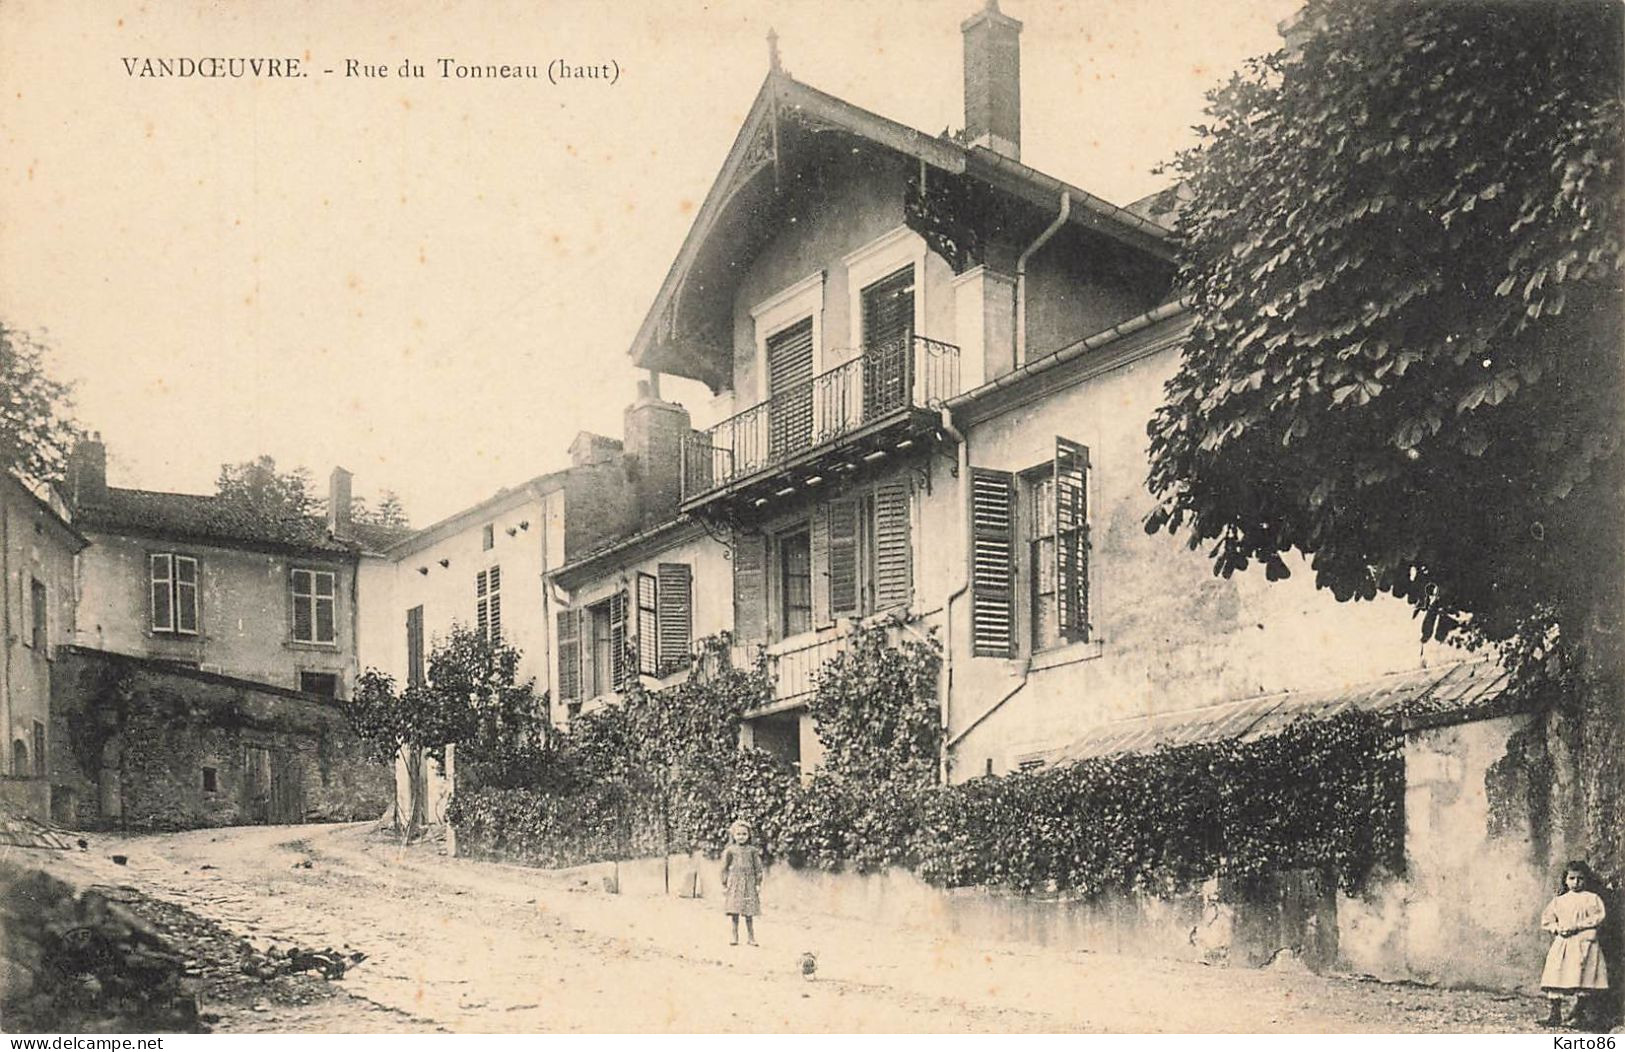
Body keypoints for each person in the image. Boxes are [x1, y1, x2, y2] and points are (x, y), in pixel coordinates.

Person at [1539, 860, 1610, 1028]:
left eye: (1580, 879)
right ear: (1565, 880)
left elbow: (1598, 917)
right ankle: (1555, 1014)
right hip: (1564, 942)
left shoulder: (1592, 899)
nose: (1576, 882)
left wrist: (1577, 926)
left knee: (1583, 976)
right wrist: (1557, 929)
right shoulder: (1559, 901)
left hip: (1584, 942)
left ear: (1586, 880)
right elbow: (1547, 920)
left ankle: (1580, 1014)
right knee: (1556, 973)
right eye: (1572, 878)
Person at [720, 818, 763, 947]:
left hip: (749, 882)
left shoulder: (752, 851)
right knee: (735, 910)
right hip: (735, 882)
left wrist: (758, 883)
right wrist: (724, 884)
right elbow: (724, 868)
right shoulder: (730, 850)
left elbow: (758, 868)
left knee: (749, 911)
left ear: (749, 835)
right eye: (738, 834)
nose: (741, 837)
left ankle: (751, 937)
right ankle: (735, 936)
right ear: (733, 835)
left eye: (744, 834)